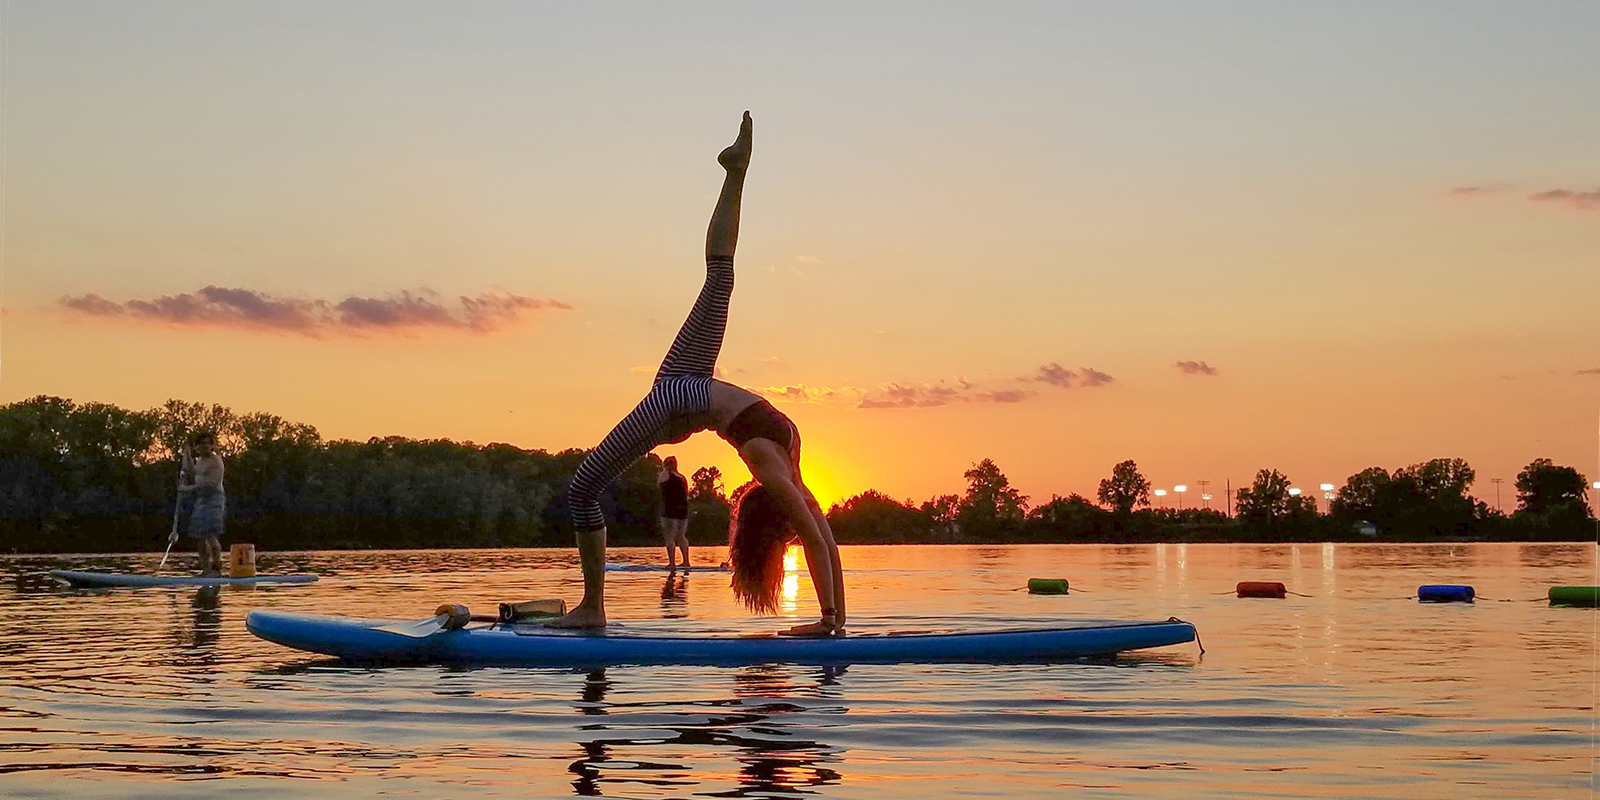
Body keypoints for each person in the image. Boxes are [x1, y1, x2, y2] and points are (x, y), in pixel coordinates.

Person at [552, 112, 845, 636]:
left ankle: (594, 609)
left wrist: (833, 623)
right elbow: (819, 537)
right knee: (582, 488)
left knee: (721, 278)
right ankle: (736, 171)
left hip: (691, 387)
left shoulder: (784, 449)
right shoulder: (772, 464)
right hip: (680, 393)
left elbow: (822, 540)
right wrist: (829, 623)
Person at [176, 431, 226, 576]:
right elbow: (192, 472)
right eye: (201, 444)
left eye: (207, 443)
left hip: (214, 500)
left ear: (212, 446)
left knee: (210, 534)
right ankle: (205, 570)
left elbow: (211, 484)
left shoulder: (216, 462)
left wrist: (187, 489)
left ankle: (217, 566)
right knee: (199, 537)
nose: (205, 446)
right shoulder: (200, 460)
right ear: (197, 447)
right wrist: (187, 456)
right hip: (201, 500)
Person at [658, 456, 691, 571]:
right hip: (683, 511)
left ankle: (672, 563)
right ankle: (686, 561)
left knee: (669, 537)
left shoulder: (664, 475)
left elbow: (659, 486)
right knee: (681, 536)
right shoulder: (682, 477)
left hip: (669, 511)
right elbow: (686, 493)